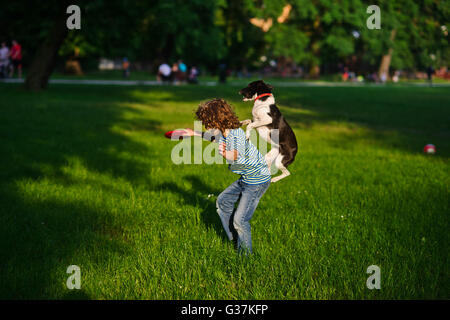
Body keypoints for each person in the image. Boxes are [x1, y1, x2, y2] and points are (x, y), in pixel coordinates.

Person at [184, 98, 271, 255]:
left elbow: (234, 155)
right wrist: (193, 133)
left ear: (217, 120)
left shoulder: (235, 134)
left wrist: (224, 154)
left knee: (240, 220)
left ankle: (245, 257)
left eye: (207, 122)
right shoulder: (224, 132)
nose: (205, 125)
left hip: (257, 180)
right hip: (247, 178)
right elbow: (213, 138)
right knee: (223, 202)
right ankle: (236, 240)